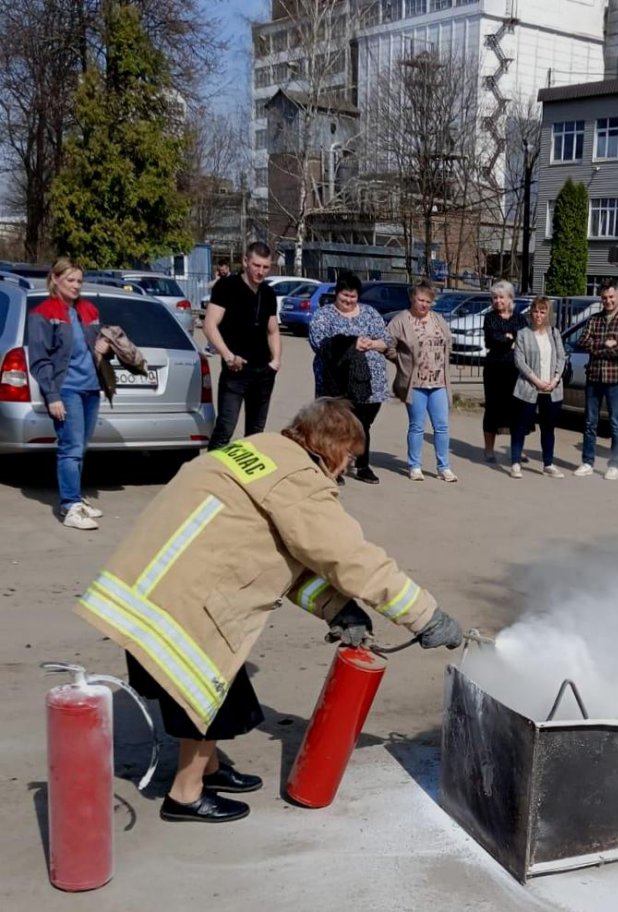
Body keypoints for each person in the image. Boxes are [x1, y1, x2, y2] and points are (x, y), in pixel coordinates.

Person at [74, 398, 464, 824]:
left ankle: (210, 769)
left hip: (151, 584)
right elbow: (352, 559)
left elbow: (284, 559)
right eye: (349, 457)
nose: (348, 467)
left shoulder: (261, 449)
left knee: (224, 682)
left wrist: (338, 609)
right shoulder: (299, 481)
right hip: (184, 599)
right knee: (206, 693)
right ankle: (185, 795)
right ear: (331, 449)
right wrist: (425, 615)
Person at [27, 258, 111, 530]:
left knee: (81, 448)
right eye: (70, 280)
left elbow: (95, 346)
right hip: (67, 390)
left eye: (79, 281)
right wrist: (53, 396)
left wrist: (102, 346)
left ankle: (76, 499)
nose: (76, 286)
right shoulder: (43, 313)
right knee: (70, 448)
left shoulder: (88, 309)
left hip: (90, 388)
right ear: (55, 279)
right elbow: (40, 360)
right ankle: (70, 507)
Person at [308, 272, 392, 485]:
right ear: (337, 294)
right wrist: (351, 344)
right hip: (336, 380)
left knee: (363, 424)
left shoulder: (370, 313)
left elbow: (386, 341)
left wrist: (370, 344)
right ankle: (332, 466)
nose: (348, 300)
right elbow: (319, 342)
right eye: (345, 295)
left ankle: (362, 465)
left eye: (353, 296)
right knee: (336, 424)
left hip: (368, 381)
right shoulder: (324, 315)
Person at [203, 241, 281, 450]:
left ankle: (246, 480)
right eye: (256, 265)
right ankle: (212, 477)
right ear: (245, 261)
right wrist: (228, 355)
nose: (260, 271)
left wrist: (276, 361)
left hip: (263, 372)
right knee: (225, 429)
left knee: (255, 434)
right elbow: (209, 325)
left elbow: (273, 330)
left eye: (265, 267)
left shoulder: (268, 293)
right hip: (235, 371)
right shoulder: (226, 287)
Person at [386, 280, 457, 483]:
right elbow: (388, 344)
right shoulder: (401, 320)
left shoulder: (438, 319)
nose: (424, 304)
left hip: (439, 382)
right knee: (417, 425)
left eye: (428, 301)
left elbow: (448, 342)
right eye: (420, 300)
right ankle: (414, 466)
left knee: (442, 426)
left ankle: (444, 467)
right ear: (412, 298)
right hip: (415, 383)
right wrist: (401, 361)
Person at [573, 280, 618, 481]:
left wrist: (598, 347)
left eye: (611, 297)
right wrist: (604, 344)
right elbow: (582, 341)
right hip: (594, 376)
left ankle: (614, 464)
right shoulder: (594, 319)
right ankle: (588, 462)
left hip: (615, 379)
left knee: (616, 422)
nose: (608, 301)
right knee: (590, 422)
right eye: (604, 298)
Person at [509, 296, 566, 479]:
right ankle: (516, 462)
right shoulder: (523, 333)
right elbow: (520, 361)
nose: (538, 315)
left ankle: (548, 463)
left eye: (542, 312)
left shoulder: (554, 333)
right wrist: (536, 381)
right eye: (535, 311)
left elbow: (561, 357)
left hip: (551, 389)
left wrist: (556, 378)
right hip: (529, 387)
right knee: (521, 425)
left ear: (548, 314)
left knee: (548, 427)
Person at [481, 280, 527, 463]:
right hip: (495, 368)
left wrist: (509, 338)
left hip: (516, 370)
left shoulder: (520, 318)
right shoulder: (490, 317)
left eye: (501, 297)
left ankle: (517, 449)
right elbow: (492, 339)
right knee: (493, 408)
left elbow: (524, 340)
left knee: (518, 409)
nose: (497, 301)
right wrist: (509, 339)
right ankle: (489, 449)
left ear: (510, 298)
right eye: (494, 297)